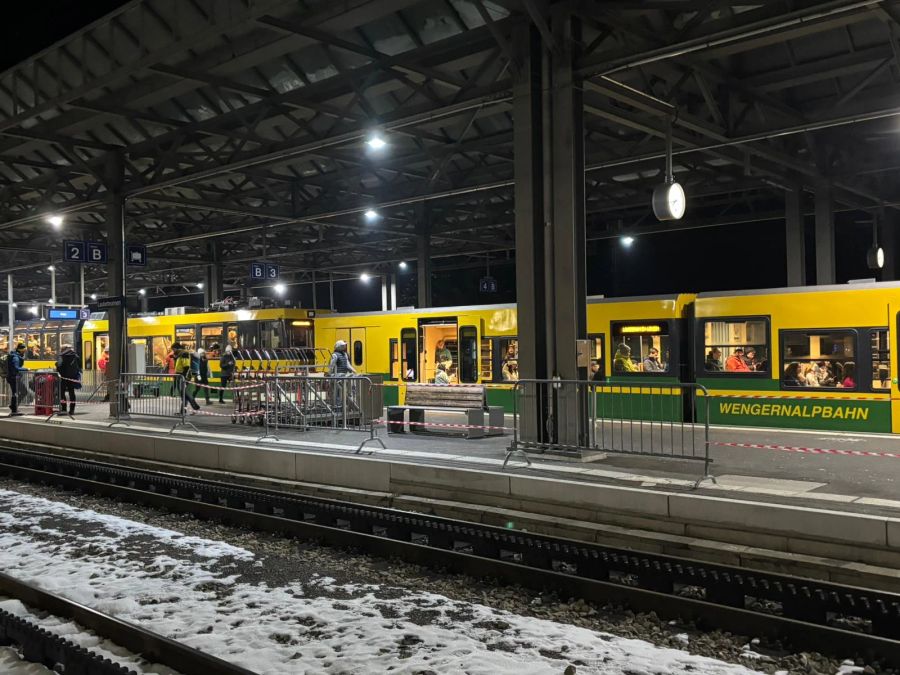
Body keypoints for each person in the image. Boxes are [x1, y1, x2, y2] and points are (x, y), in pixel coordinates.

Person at [173, 343, 200, 414]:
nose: (173, 351)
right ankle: (183, 411)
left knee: (183, 392)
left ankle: (194, 403)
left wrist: (184, 377)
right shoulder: (180, 354)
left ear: (177, 348)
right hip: (180, 375)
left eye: (173, 349)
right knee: (183, 394)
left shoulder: (184, 354)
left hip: (183, 375)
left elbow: (186, 366)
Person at [55, 344, 81, 416]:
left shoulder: (61, 356)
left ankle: (64, 409)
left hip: (63, 377)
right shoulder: (75, 355)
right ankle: (72, 410)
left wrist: (56, 365)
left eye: (62, 349)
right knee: (72, 393)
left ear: (64, 349)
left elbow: (59, 366)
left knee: (61, 393)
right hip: (73, 377)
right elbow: (79, 364)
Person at [5, 343, 26, 416]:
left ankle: (14, 406)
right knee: (18, 392)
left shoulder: (15, 356)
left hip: (13, 377)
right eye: (24, 350)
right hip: (13, 377)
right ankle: (14, 408)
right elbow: (16, 368)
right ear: (21, 350)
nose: (24, 352)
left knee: (18, 392)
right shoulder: (15, 357)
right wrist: (26, 369)